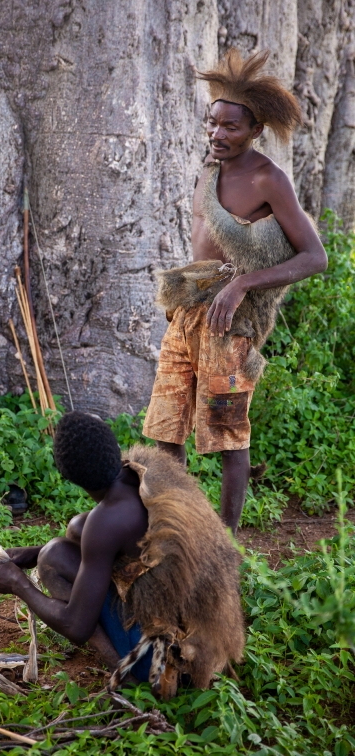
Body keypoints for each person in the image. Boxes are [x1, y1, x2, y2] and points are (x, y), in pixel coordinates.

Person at [142, 49, 328, 534]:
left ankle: (224, 541)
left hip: (232, 325)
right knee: (166, 426)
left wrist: (242, 282)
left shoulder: (269, 179)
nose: (218, 135)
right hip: (187, 313)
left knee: (226, 432)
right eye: (213, 124)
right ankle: (176, 529)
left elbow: (315, 256)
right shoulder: (209, 172)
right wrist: (193, 297)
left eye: (230, 128)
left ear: (255, 131)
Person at [0, 411, 245, 700]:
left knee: (54, 556)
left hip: (175, 662)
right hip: (212, 648)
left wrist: (17, 584)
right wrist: (31, 554)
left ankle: (130, 678)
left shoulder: (106, 523)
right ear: (112, 448)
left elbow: (77, 625)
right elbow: (103, 536)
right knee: (77, 527)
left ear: (69, 477)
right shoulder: (147, 472)